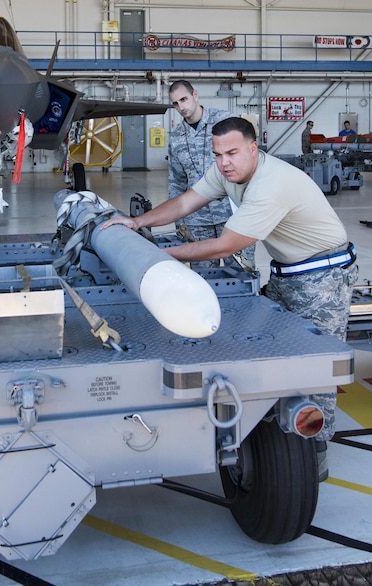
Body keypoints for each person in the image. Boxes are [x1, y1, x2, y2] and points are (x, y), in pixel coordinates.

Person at [100, 116, 357, 444]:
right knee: (276, 353)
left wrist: (161, 257)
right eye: (218, 154)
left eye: (232, 153)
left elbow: (226, 245)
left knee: (316, 367)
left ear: (253, 149)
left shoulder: (271, 183)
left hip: (324, 277)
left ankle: (314, 451)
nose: (224, 163)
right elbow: (185, 201)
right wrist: (137, 222)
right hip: (287, 272)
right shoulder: (229, 172)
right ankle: (273, 434)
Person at [166, 80, 253, 268]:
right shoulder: (176, 137)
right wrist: (179, 222)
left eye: (184, 99)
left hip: (232, 216)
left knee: (243, 271)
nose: (181, 107)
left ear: (195, 95)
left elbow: (250, 162)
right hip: (197, 219)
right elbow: (176, 182)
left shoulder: (226, 121)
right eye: (175, 103)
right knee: (203, 277)